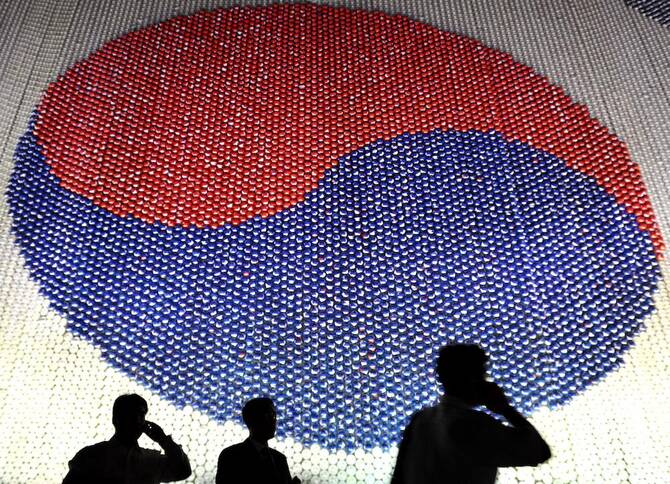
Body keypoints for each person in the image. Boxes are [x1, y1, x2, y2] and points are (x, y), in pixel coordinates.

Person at [392, 344, 551, 484]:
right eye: (483, 374)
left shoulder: (420, 420)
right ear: (473, 379)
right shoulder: (475, 425)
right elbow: (539, 451)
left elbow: (398, 478)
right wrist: (505, 409)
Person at [63, 393, 191, 484]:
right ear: (116, 419)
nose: (137, 420)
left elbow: (183, 471)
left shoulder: (151, 459)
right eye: (131, 414)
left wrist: (163, 440)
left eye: (141, 415)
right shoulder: (90, 455)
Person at [216, 397, 300, 484]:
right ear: (253, 419)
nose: (274, 420)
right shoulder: (231, 457)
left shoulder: (280, 459)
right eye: (269, 415)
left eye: (274, 415)